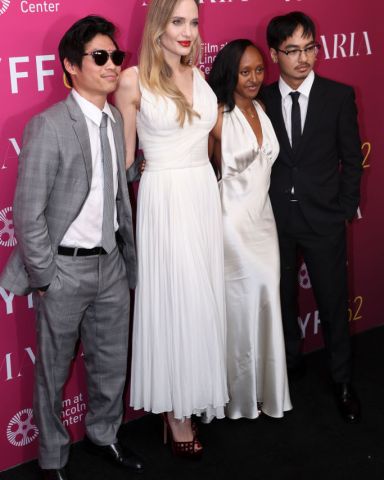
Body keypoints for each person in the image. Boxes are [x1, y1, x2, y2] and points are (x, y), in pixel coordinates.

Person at [0, 16, 144, 480]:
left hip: (111, 267)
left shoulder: (115, 118)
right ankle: (53, 460)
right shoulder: (49, 126)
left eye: (115, 57)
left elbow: (116, 188)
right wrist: (45, 277)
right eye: (99, 57)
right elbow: (28, 212)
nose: (110, 66)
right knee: (52, 373)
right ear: (70, 66)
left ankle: (104, 436)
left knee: (110, 365)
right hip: (64, 271)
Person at [115, 0, 228, 457]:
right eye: (178, 21)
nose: (187, 31)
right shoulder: (130, 79)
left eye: (194, 22)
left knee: (200, 297)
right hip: (164, 199)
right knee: (175, 296)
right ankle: (175, 412)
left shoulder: (198, 75)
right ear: (157, 26)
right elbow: (124, 160)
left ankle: (192, 392)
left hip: (202, 194)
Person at [263, 11, 363, 422]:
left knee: (334, 303)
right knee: (281, 299)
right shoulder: (261, 99)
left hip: (323, 220)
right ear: (274, 54)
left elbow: (352, 160)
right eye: (292, 50)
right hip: (273, 222)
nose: (304, 58)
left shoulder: (339, 96)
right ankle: (291, 363)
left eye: (310, 48)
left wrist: (342, 207)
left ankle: (342, 379)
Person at [208, 39, 292, 420]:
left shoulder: (261, 107)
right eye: (246, 71)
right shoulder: (215, 115)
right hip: (231, 226)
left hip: (264, 221)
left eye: (259, 70)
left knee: (268, 302)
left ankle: (266, 391)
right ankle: (237, 398)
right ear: (230, 73)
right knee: (240, 310)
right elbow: (195, 165)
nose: (255, 78)